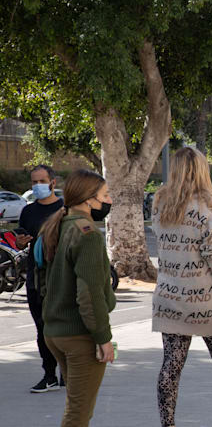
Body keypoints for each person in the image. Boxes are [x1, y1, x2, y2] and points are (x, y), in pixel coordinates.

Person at [151, 147, 212, 427]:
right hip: (207, 301)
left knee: (171, 366)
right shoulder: (208, 207)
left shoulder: (160, 203)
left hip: (169, 298)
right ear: (202, 171)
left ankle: (167, 423)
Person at [37, 169, 115, 426]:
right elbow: (89, 294)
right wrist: (103, 337)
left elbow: (43, 283)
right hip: (79, 335)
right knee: (78, 414)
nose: (109, 200)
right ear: (88, 199)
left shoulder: (59, 225)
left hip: (55, 332)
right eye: (105, 195)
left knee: (77, 408)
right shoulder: (87, 234)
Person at [16, 165, 65, 393]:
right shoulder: (28, 212)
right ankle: (49, 374)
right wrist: (20, 243)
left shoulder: (64, 210)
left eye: (42, 181)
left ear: (53, 182)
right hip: (35, 277)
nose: (37, 186)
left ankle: (67, 372)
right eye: (34, 182)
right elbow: (20, 241)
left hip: (60, 277)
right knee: (42, 327)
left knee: (62, 327)